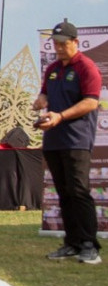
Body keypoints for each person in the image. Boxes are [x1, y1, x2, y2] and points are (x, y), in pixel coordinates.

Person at [33, 19, 102, 265]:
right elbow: (45, 92)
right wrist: (41, 100)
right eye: (55, 43)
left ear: (75, 42)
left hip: (77, 139)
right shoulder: (52, 68)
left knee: (79, 191)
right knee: (63, 192)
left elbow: (92, 102)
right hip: (53, 139)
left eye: (63, 43)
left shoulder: (86, 67)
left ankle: (89, 245)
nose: (59, 48)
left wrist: (61, 116)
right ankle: (71, 242)